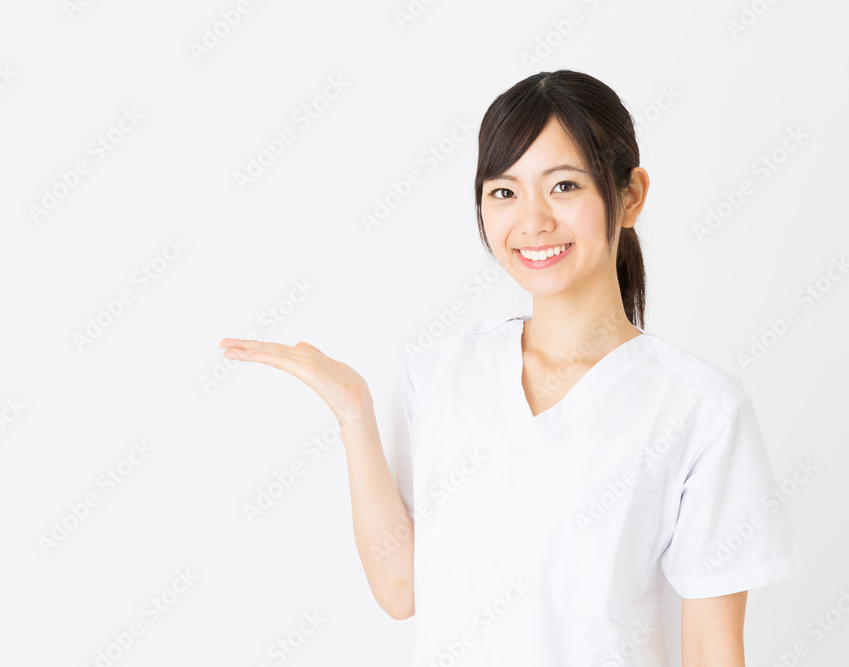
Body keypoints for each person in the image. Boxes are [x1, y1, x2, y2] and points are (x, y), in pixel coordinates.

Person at [218, 69, 805, 666]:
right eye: (504, 192)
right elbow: (402, 592)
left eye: (565, 186)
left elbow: (712, 651)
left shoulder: (698, 406)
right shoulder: (440, 374)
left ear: (629, 196)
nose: (532, 221)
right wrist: (354, 414)